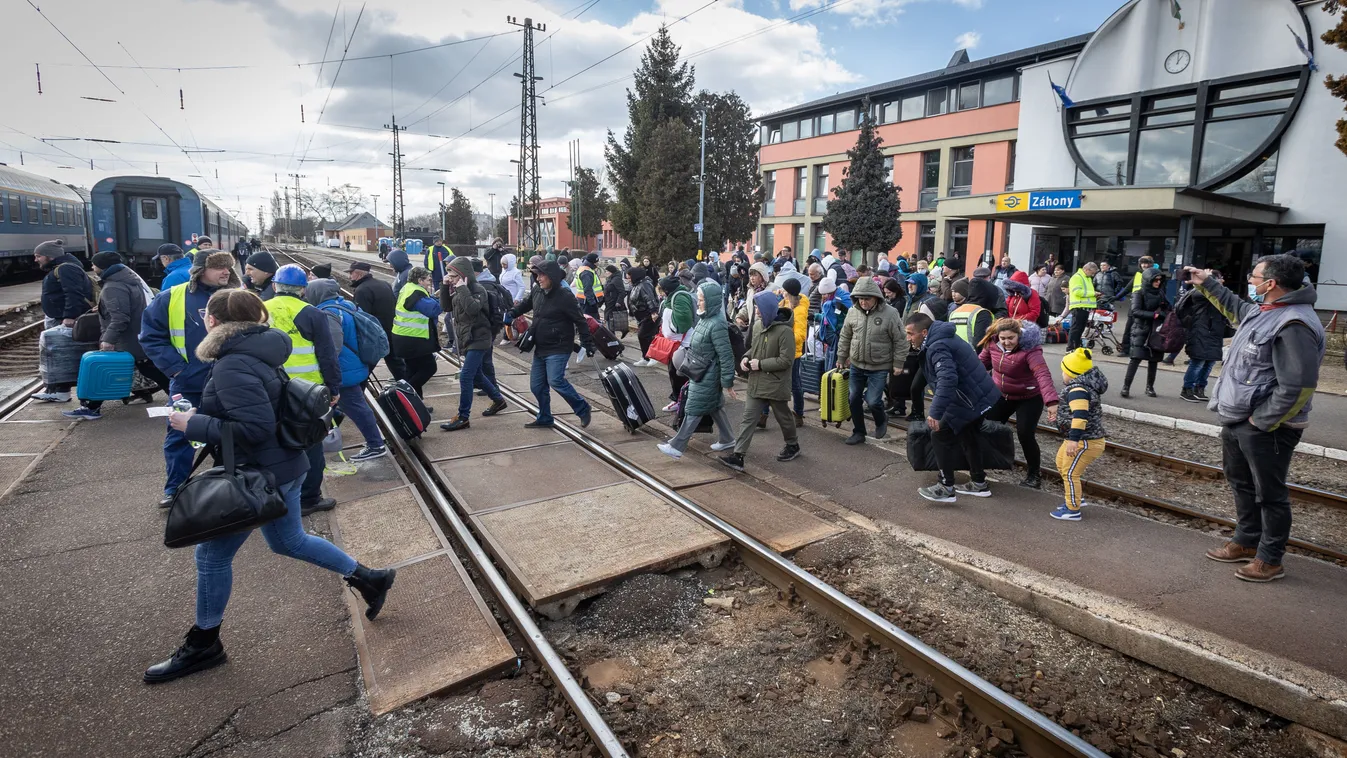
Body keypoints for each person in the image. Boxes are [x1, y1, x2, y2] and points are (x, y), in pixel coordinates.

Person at [145, 289, 395, 685]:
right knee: (288, 541)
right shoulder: (260, 350)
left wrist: (192, 424)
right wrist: (201, 414)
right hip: (284, 466)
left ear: (213, 321)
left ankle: (204, 644)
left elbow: (254, 427)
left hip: (260, 473)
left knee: (212, 558)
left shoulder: (232, 364)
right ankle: (369, 578)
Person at [1188, 256, 1323, 582]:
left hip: (1268, 426)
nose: (1250, 280)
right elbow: (1235, 306)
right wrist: (1207, 283)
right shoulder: (1265, 311)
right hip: (1240, 418)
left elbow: (1299, 386)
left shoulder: (1295, 324)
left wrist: (1260, 422)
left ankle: (1270, 559)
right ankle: (1247, 541)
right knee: (1242, 484)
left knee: (1270, 494)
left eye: (1255, 277)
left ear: (1271, 284)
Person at [140, 252, 242, 507]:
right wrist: (177, 370)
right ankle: (176, 489)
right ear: (199, 270)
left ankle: (230, 485)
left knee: (232, 435)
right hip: (189, 383)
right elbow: (151, 336)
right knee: (180, 436)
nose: (226, 271)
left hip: (231, 382)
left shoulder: (238, 296)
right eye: (218, 267)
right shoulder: (171, 298)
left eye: (228, 267)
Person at [269, 265, 344, 515]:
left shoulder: (260, 309)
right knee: (311, 445)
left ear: (275, 286)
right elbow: (327, 354)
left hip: (272, 387)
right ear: (303, 290)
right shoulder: (312, 313)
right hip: (308, 392)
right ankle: (309, 498)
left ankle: (276, 494)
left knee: (276, 441)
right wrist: (333, 387)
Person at [907, 312, 1001, 503]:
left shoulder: (937, 346)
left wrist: (935, 412)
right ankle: (979, 483)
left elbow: (947, 379)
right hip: (979, 396)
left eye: (910, 333)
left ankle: (946, 487)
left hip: (967, 400)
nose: (908, 338)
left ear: (924, 332)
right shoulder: (942, 336)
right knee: (968, 435)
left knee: (939, 434)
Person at [63, 252, 169, 419]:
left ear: (103, 266)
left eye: (94, 264)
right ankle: (181, 397)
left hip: (124, 339)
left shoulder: (113, 286)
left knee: (106, 370)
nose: (92, 267)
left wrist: (108, 339)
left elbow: (120, 317)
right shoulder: (127, 279)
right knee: (150, 370)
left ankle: (91, 408)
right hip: (133, 336)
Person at [303, 279, 389, 462]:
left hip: (344, 369)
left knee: (357, 407)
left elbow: (333, 347)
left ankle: (376, 445)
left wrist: (325, 369)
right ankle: (326, 435)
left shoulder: (328, 313)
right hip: (353, 364)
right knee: (343, 405)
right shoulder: (345, 305)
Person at [505, 260, 594, 429]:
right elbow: (526, 304)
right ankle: (545, 417)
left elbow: (580, 320)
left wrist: (587, 343)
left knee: (555, 380)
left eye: (541, 275)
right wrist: (512, 313)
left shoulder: (564, 296)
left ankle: (582, 408)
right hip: (541, 345)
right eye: (536, 275)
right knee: (537, 386)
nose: (538, 278)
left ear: (551, 276)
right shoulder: (537, 290)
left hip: (559, 345)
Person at [657, 281, 738, 459]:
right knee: (715, 406)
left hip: (707, 374)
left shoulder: (716, 324)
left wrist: (728, 382)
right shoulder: (706, 318)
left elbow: (726, 355)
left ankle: (677, 447)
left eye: (701, 300)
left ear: (711, 301)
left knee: (693, 408)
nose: (698, 303)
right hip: (701, 371)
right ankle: (728, 438)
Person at [978, 319, 1059, 489]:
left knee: (1025, 434)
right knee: (987, 426)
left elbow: (1042, 374)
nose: (1006, 342)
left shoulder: (1030, 350)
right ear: (997, 336)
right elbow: (978, 366)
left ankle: (1034, 475)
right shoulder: (992, 344)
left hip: (1029, 397)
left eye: (1011, 338)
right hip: (1002, 395)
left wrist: (1051, 401)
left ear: (1019, 336)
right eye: (1003, 338)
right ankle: (983, 465)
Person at [837, 276, 907, 445]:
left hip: (879, 365)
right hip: (857, 364)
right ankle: (858, 431)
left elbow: (900, 340)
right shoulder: (853, 312)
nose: (863, 302)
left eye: (867, 298)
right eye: (860, 298)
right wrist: (841, 357)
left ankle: (881, 420)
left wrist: (898, 363)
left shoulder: (890, 313)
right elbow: (845, 336)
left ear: (876, 297)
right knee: (853, 398)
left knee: (873, 400)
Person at [440, 257, 507, 431]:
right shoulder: (458, 289)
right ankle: (498, 400)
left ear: (464, 275)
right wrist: (445, 287)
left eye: (454, 276)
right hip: (467, 338)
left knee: (466, 376)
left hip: (479, 338)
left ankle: (463, 417)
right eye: (449, 276)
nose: (451, 279)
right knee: (476, 375)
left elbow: (472, 309)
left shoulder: (478, 289)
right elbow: (446, 307)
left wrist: (462, 288)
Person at [31, 239, 95, 402]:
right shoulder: (62, 267)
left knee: (61, 355)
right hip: (59, 317)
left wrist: (69, 316)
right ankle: (57, 390)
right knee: (59, 354)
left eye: (38, 256)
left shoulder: (66, 269)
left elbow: (73, 293)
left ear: (50, 256)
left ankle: (61, 392)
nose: (36, 260)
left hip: (65, 319)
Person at [1051, 347, 1109, 521]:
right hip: (1078, 438)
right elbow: (1073, 412)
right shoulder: (1081, 387)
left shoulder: (1078, 390)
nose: (1062, 375)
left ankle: (1072, 509)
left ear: (1071, 373)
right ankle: (1076, 497)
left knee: (1070, 473)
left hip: (1085, 441)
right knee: (1061, 463)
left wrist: (1074, 440)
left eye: (1063, 371)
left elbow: (1080, 416)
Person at [392, 266, 443, 398]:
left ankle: (414, 403)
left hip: (404, 337)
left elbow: (424, 303)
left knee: (413, 370)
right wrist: (444, 296)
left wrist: (434, 297)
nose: (429, 282)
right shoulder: (416, 293)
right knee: (429, 368)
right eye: (428, 280)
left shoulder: (408, 288)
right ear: (420, 280)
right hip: (413, 339)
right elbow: (433, 310)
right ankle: (403, 395)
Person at [1176, 270, 1226, 403]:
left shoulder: (1217, 293)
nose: (1222, 280)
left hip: (1214, 331)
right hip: (1200, 330)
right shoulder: (1200, 292)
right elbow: (1208, 294)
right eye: (1219, 278)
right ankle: (1187, 389)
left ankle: (1199, 388)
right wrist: (1212, 282)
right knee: (1198, 362)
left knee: (1210, 362)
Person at [348, 261, 402, 381]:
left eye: (351, 273)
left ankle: (360, 387)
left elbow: (362, 317)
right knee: (396, 363)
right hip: (391, 329)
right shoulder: (384, 284)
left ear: (358, 274)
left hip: (375, 334)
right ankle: (407, 386)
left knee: (367, 365)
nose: (349, 277)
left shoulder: (361, 290)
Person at [1120, 268, 1170, 399]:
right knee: (1135, 358)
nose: (1158, 282)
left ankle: (1150, 387)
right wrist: (1155, 315)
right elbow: (1135, 311)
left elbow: (1168, 307)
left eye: (1160, 280)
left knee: (1153, 360)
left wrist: (1166, 312)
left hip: (1156, 331)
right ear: (1148, 280)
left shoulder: (1160, 293)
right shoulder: (1139, 293)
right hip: (1141, 329)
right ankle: (1126, 387)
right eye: (1155, 280)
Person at [658, 274, 695, 410]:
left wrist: (672, 327)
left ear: (667, 289)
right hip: (678, 342)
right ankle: (680, 399)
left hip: (683, 343)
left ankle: (681, 400)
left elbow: (683, 322)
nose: (661, 293)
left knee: (678, 373)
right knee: (675, 372)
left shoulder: (679, 297)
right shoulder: (674, 297)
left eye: (662, 289)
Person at [780, 277, 810, 426]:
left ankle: (798, 413)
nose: (782, 292)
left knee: (795, 384)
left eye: (785, 291)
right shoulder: (786, 303)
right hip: (783, 350)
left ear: (790, 293)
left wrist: (784, 337)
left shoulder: (800, 311)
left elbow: (800, 336)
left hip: (793, 353)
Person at [627, 267, 661, 367]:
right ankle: (646, 357)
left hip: (648, 315)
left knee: (644, 335)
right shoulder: (637, 285)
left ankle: (652, 357)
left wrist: (653, 312)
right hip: (642, 316)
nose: (628, 280)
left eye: (629, 278)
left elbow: (650, 299)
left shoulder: (644, 285)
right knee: (644, 336)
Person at [1066, 262, 1098, 350]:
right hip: (1078, 307)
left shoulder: (1086, 278)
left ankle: (1075, 347)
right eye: (1092, 273)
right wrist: (1093, 294)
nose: (1092, 275)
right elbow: (1077, 292)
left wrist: (1094, 295)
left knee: (1080, 329)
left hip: (1083, 307)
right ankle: (1071, 348)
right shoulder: (1077, 277)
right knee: (1076, 329)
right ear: (1087, 270)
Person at [603, 264, 628, 338]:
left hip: (613, 302)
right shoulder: (610, 278)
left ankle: (612, 337)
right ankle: (616, 334)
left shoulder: (616, 279)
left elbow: (622, 291)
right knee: (611, 319)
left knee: (610, 319)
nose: (606, 273)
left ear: (611, 272)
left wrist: (618, 302)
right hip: (609, 301)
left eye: (607, 271)